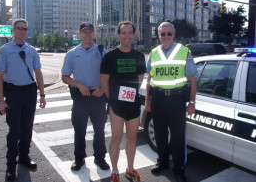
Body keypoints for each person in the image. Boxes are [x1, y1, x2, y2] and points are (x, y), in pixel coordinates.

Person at [0, 18, 46, 181]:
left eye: (25, 29)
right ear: (13, 30)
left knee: (27, 128)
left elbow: (38, 73)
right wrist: (2, 101)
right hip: (14, 94)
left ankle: (24, 157)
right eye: (19, 28)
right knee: (14, 130)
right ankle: (11, 165)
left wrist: (42, 95)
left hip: (30, 92)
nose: (22, 31)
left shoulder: (31, 50)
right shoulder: (4, 50)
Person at [145, 22, 197, 182]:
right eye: (162, 34)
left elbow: (193, 81)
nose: (166, 36)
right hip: (158, 99)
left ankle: (179, 169)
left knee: (178, 137)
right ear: (158, 35)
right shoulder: (153, 53)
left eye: (169, 33)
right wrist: (148, 100)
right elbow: (149, 79)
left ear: (174, 35)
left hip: (176, 99)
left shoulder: (184, 51)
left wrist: (192, 102)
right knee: (160, 134)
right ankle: (163, 163)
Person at [100, 21, 146, 182]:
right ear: (118, 35)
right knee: (116, 137)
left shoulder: (139, 56)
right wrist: (112, 99)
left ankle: (130, 169)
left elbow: (140, 80)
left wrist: (129, 94)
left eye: (130, 32)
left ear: (134, 35)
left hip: (133, 104)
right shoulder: (110, 56)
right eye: (123, 32)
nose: (127, 36)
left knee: (132, 138)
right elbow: (104, 81)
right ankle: (114, 170)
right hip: (116, 106)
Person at [61, 22, 110, 171]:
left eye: (90, 31)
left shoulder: (103, 52)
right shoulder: (72, 53)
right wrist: (78, 85)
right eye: (84, 31)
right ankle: (79, 158)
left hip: (98, 96)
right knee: (80, 129)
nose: (87, 34)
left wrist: (103, 88)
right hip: (80, 97)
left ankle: (100, 157)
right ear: (80, 33)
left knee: (99, 129)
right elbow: (64, 77)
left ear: (93, 34)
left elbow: (111, 75)